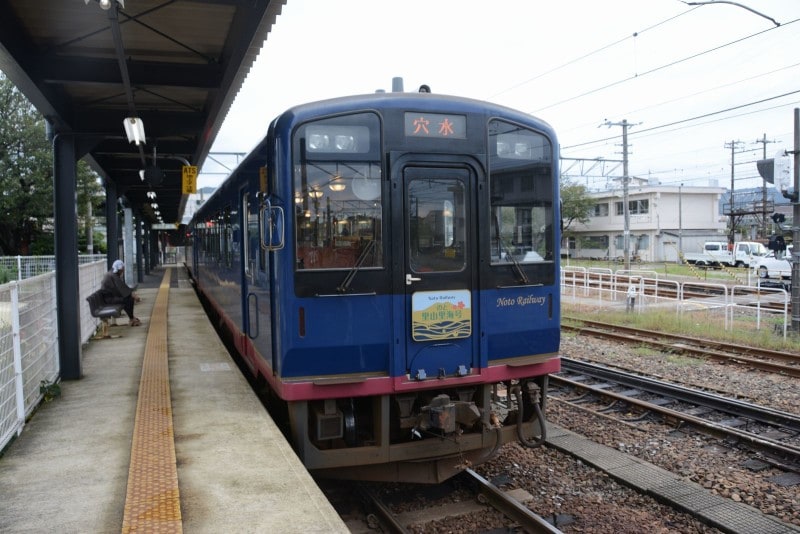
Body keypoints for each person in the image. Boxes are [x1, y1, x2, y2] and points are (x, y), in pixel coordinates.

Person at [101, 259, 141, 326]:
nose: (123, 270)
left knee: (127, 298)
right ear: (119, 268)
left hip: (109, 298)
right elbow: (121, 288)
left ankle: (131, 318)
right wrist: (132, 294)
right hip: (109, 299)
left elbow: (121, 288)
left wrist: (131, 293)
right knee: (129, 299)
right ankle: (131, 318)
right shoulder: (113, 275)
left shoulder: (111, 274)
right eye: (122, 268)